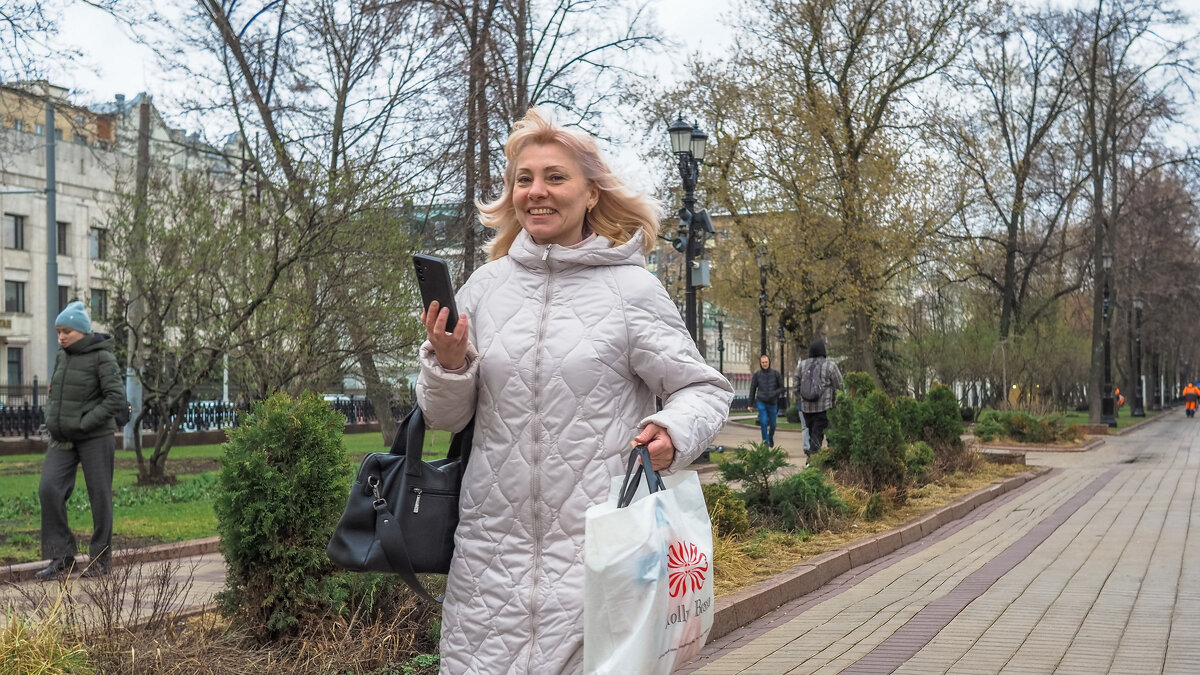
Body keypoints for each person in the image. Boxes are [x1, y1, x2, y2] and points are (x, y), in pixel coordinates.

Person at [415, 107, 733, 674]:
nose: (537, 192)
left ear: (591, 193)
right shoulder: (485, 289)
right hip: (489, 572)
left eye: (555, 177)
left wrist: (671, 430)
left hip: (601, 560)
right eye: (524, 178)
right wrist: (449, 364)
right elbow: (446, 416)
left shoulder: (631, 289)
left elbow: (704, 389)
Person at [36, 301, 127, 580]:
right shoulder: (62, 356)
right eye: (58, 332)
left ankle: (100, 560)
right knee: (48, 488)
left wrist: (85, 422)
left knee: (99, 496)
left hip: (95, 436)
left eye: (66, 331)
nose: (61, 337)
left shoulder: (102, 357)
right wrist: (52, 416)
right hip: (63, 438)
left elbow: (116, 399)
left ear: (82, 331)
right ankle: (62, 557)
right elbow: (55, 394)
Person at [794, 338, 843, 456]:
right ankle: (812, 462)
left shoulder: (802, 366)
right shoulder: (830, 366)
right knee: (819, 436)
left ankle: (813, 458)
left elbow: (796, 387)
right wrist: (837, 402)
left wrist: (803, 399)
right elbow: (840, 386)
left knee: (812, 435)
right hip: (824, 409)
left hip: (807, 409)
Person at [747, 354, 785, 446]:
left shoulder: (776, 374)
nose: (764, 364)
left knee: (773, 424)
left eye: (766, 362)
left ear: (769, 362)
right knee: (763, 422)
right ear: (760, 363)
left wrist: (774, 393)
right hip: (761, 401)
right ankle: (765, 442)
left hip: (773, 403)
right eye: (763, 362)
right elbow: (753, 389)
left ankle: (770, 437)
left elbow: (782, 388)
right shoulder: (757, 375)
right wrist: (750, 404)